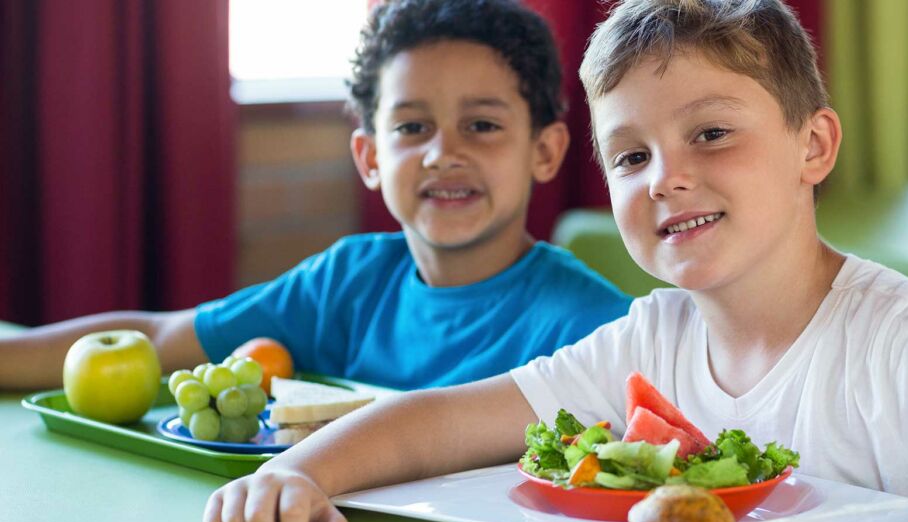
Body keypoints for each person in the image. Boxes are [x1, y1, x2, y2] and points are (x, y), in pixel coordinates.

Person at [204, 1, 908, 522]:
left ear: (813, 147)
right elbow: (442, 421)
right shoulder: (652, 337)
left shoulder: (905, 332)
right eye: (631, 156)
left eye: (712, 134)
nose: (668, 176)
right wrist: (297, 473)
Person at [0, 0, 631, 392]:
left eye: (483, 125)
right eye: (412, 127)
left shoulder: (596, 328)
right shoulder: (345, 282)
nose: (443, 153)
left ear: (545, 150)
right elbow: (162, 341)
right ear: (371, 157)